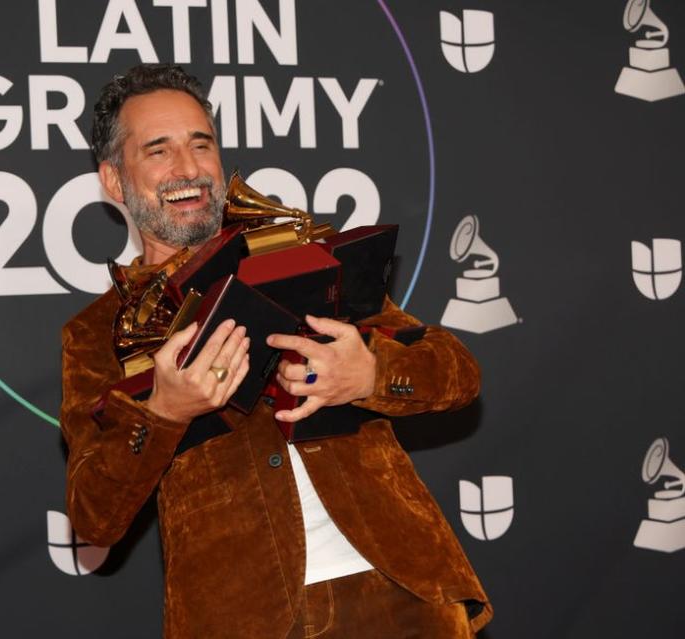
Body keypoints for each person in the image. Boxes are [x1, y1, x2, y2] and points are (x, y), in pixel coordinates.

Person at [61, 63, 492, 638]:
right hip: (242, 617)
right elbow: (95, 516)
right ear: (115, 181)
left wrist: (370, 374)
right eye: (158, 151)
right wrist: (163, 412)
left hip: (401, 591)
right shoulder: (95, 333)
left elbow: (458, 372)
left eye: (201, 144)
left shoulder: (300, 249)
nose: (188, 168)